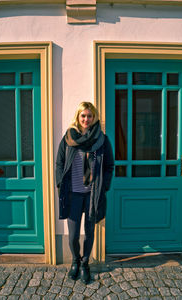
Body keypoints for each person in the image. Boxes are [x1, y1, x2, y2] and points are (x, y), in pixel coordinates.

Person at [56, 102, 114, 284]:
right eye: (83, 116)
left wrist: (103, 186)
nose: (86, 119)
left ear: (94, 117)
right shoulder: (68, 138)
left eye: (89, 116)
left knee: (89, 232)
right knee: (73, 235)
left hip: (92, 194)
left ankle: (85, 263)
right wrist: (60, 183)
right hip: (73, 194)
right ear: (78, 117)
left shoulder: (102, 139)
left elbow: (109, 166)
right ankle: (75, 260)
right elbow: (59, 163)